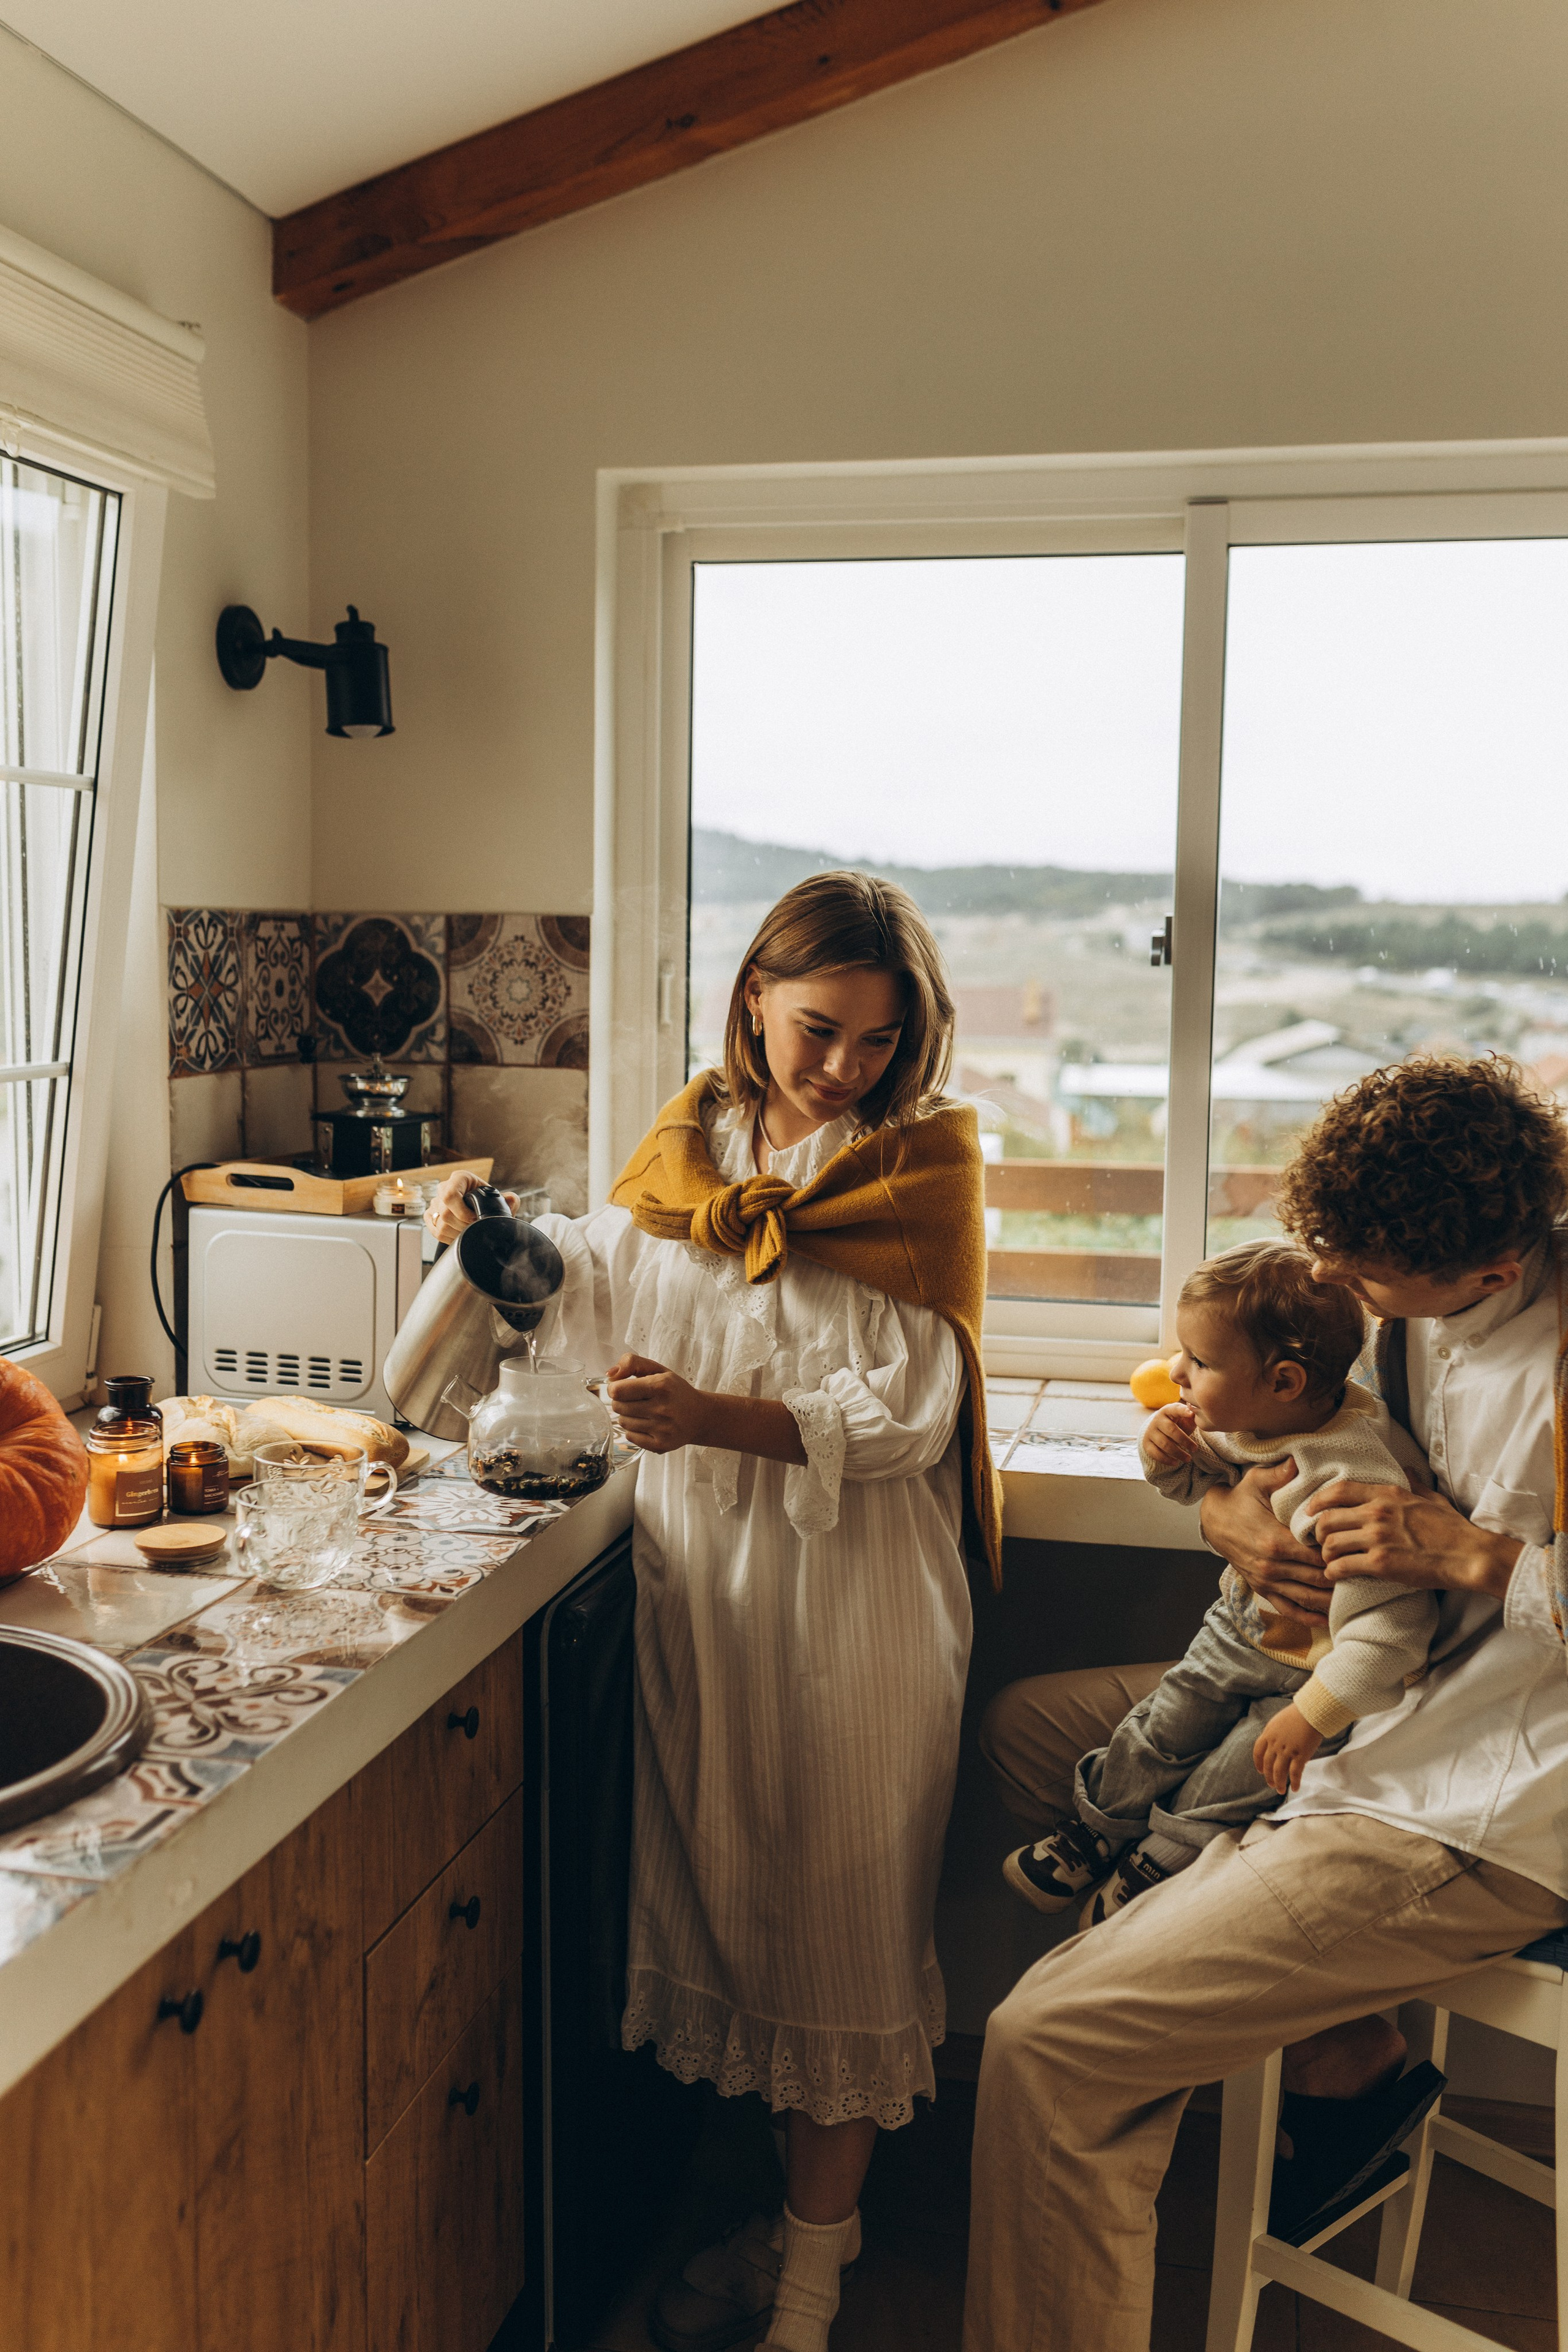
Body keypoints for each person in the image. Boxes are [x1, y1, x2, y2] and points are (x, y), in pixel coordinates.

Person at [428, 872, 1000, 2352]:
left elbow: (912, 1417)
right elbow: (602, 1287)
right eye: (818, 1029)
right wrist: (506, 1237)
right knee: (741, 1915)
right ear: (752, 995)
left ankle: (803, 2303)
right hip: (705, 1593)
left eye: (877, 1040)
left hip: (853, 1604)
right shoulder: (694, 1135)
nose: (842, 1065)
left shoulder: (917, 1165)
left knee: (842, 1938)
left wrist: (710, 1414)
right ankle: (786, 2236)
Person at [966, 1055, 1568, 2352]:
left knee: (1045, 2046)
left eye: (1358, 1281)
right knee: (1027, 1736)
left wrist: (1474, 1556)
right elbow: (1255, 1403)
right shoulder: (1405, 1298)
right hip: (1374, 1711)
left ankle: (1170, 2035)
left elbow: (1455, 1561)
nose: (1339, 1299)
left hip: (1478, 1801)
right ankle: (1342, 2057)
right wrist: (1236, 1518)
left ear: (1487, 1271)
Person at [1007, 1237, 1436, 1928]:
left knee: (1231, 1780)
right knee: (1160, 1727)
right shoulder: (1260, 1416)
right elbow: (1196, 1480)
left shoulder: (1353, 1483)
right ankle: (1094, 1832)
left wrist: (1314, 1715)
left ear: (1285, 1381)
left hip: (1312, 1677)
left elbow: (1394, 1630)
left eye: (1200, 1361)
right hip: (1237, 1633)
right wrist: (1164, 1455)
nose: (1176, 1371)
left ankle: (1153, 1869)